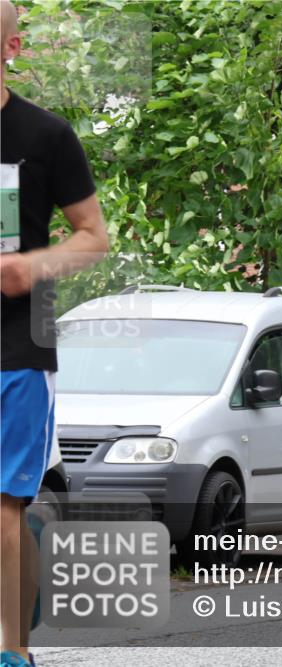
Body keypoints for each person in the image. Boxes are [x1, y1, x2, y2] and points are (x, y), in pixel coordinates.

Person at [1, 2, 109, 665]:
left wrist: (31, 267)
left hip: (18, 344)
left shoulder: (44, 136)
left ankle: (12, 650)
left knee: (3, 507)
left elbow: (94, 237)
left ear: (10, 46)